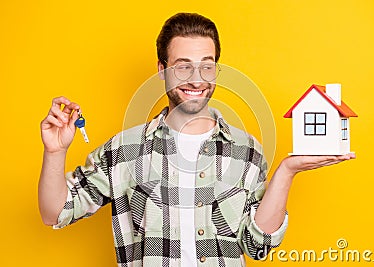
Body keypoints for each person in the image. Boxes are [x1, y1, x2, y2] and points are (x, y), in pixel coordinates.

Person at [38, 13, 355, 267]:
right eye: (183, 66)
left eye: (206, 65)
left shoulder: (247, 152)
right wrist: (55, 152)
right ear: (161, 70)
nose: (196, 78)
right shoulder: (124, 151)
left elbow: (257, 246)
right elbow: (55, 212)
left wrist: (286, 171)